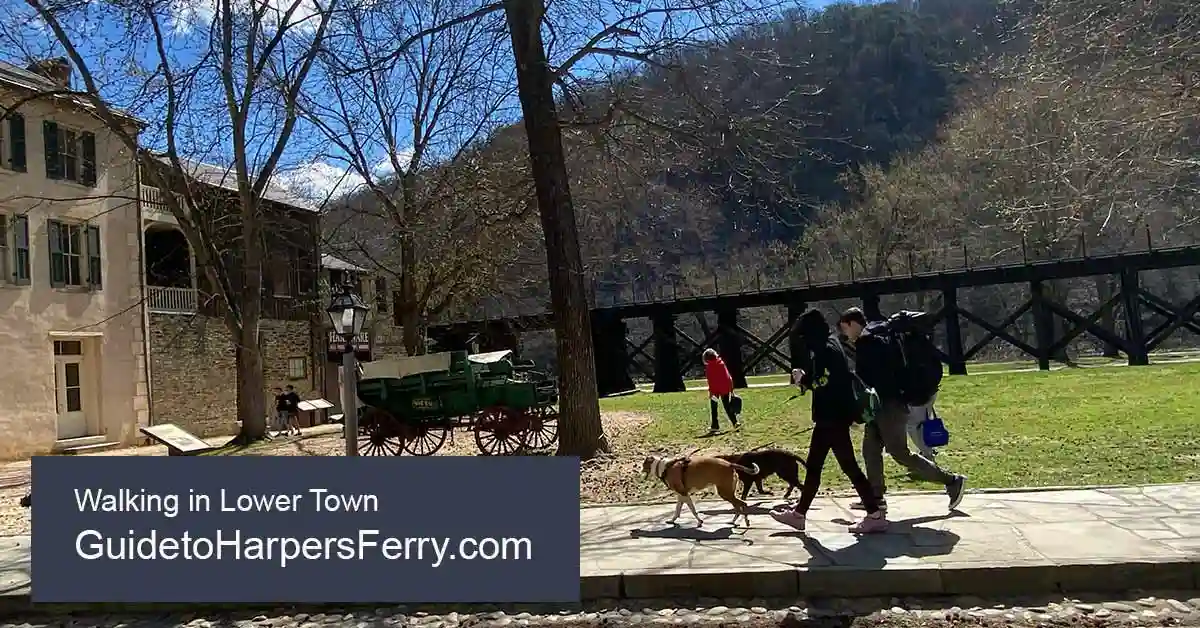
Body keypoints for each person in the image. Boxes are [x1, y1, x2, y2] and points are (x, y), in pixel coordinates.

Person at [770, 309, 888, 534]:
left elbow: (824, 381)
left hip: (831, 418)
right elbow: (830, 378)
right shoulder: (833, 344)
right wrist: (808, 380)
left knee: (847, 467)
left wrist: (802, 379)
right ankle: (799, 515)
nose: (803, 342)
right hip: (833, 417)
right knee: (815, 467)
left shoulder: (824, 350)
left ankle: (874, 514)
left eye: (804, 337)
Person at [838, 307, 966, 513]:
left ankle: (952, 481)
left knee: (900, 453)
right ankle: (875, 497)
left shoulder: (868, 343)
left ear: (853, 324)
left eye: (845, 329)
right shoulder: (876, 338)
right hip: (882, 406)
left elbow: (871, 381)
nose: (845, 335)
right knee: (870, 450)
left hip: (889, 406)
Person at [702, 348, 740, 434]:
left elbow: (710, 380)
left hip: (715, 390)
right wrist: (731, 388)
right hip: (724, 388)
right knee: (727, 406)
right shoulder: (721, 364)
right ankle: (735, 422)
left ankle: (715, 425)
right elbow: (728, 377)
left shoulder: (709, 367)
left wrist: (711, 392)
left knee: (714, 407)